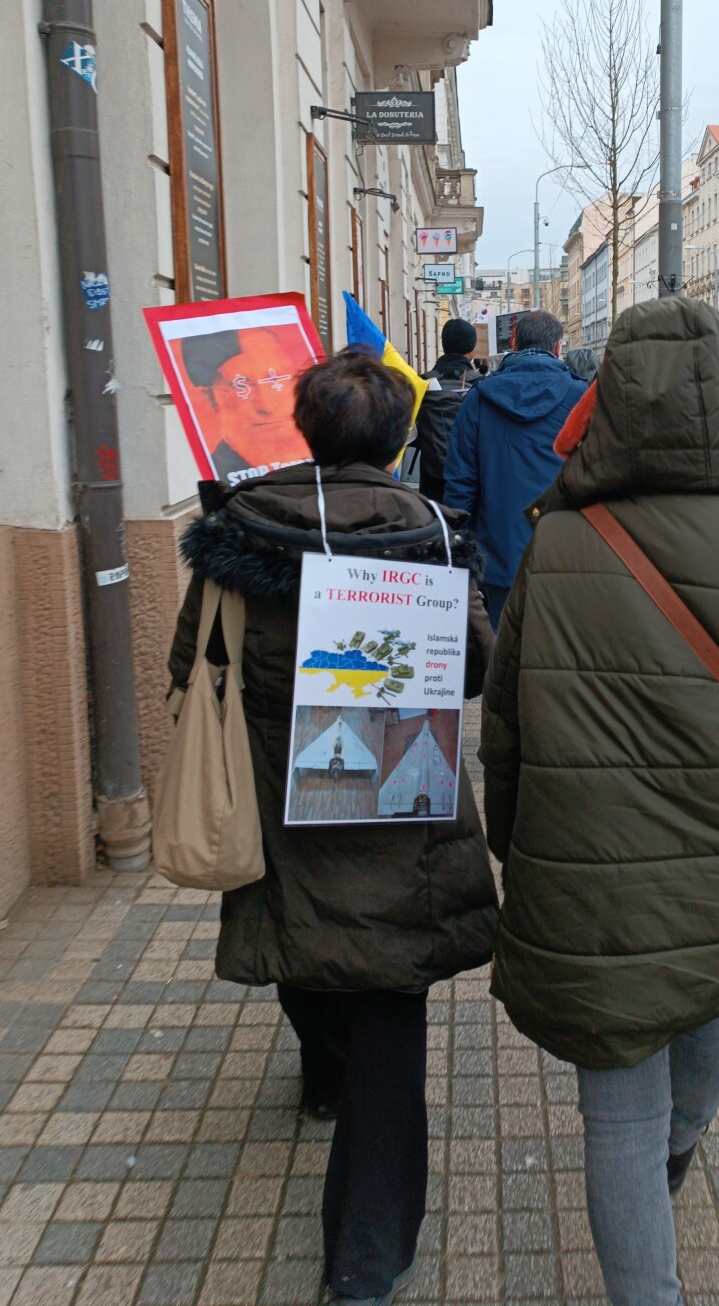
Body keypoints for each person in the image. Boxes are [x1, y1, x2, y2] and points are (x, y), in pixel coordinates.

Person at [480, 297, 719, 1306]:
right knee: (709, 998)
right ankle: (683, 1146)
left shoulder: (558, 541)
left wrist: (514, 842)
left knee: (616, 1119)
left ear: (613, 405)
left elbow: (506, 718)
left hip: (588, 866)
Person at [167, 350, 498, 1306]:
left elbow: (192, 665)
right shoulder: (428, 531)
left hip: (278, 803)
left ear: (305, 431)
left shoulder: (240, 531)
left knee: (303, 939)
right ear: (398, 439)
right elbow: (474, 671)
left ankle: (323, 1073)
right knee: (388, 1011)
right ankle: (366, 1260)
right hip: (401, 801)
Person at [444, 309, 586, 628]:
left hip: (496, 555)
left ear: (513, 343)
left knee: (499, 647)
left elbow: (460, 484)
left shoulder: (479, 400)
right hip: (564, 556)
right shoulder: (581, 398)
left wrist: (460, 548)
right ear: (558, 347)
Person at [178, 325, 312, 485]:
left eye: (275, 379)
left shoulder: (327, 455)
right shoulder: (219, 481)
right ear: (210, 398)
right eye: (241, 385)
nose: (267, 405)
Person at [411, 316, 482, 502]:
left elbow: (411, 433)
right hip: (471, 479)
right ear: (472, 348)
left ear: (443, 345)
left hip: (432, 480)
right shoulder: (482, 385)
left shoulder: (423, 382)